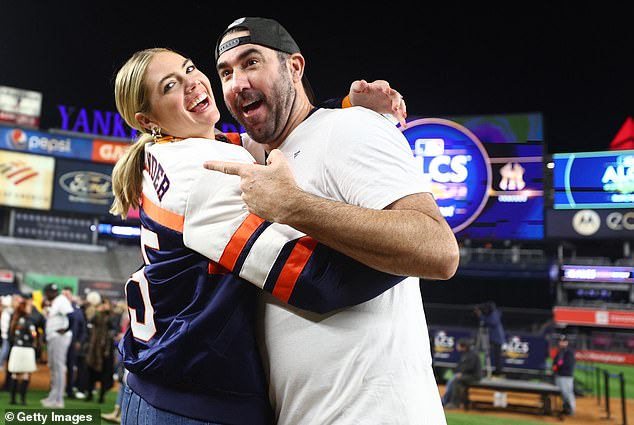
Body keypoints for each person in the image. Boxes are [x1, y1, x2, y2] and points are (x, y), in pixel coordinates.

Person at [111, 46, 413, 425]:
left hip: (162, 384)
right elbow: (314, 279)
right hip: (194, 402)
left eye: (189, 69)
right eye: (170, 85)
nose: (192, 84)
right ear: (147, 119)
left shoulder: (174, 152)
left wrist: (347, 103)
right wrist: (409, 248)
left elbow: (275, 134)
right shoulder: (205, 170)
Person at [207, 17, 459, 425]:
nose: (237, 82)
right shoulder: (259, 157)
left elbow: (438, 250)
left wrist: (294, 206)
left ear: (294, 67)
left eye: (252, 62)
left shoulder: (351, 127)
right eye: (226, 72)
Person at [40, 283, 74, 409]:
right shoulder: (56, 301)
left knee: (58, 368)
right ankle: (53, 397)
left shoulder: (61, 300)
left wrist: (66, 329)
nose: (50, 294)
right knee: (54, 368)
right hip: (54, 337)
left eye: (52, 292)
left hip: (59, 337)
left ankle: (58, 400)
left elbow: (72, 316)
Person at [7, 299, 38, 405]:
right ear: (24, 308)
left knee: (14, 374)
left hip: (16, 349)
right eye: (29, 307)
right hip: (27, 349)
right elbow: (33, 335)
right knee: (25, 374)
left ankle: (13, 399)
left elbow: (9, 335)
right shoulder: (29, 321)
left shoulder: (14, 319)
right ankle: (23, 400)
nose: (31, 309)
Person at [442, 338, 481, 409]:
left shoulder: (471, 355)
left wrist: (462, 373)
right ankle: (445, 401)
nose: (457, 347)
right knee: (452, 380)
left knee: (455, 381)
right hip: (466, 375)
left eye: (459, 345)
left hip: (473, 376)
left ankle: (454, 403)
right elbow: (460, 367)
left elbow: (471, 367)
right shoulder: (465, 354)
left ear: (463, 346)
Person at [63, 286, 87, 399]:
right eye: (63, 295)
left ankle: (69, 389)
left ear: (71, 296)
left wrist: (79, 342)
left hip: (72, 343)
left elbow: (83, 329)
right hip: (60, 343)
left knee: (71, 367)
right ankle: (56, 389)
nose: (65, 297)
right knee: (57, 367)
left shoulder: (77, 311)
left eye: (67, 295)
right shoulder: (58, 309)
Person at [474, 301, 506, 376]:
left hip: (497, 339)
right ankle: (481, 368)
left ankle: (498, 372)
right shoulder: (491, 314)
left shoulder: (494, 314)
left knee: (497, 356)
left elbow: (492, 322)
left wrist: (481, 315)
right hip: (491, 338)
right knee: (485, 352)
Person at [552, 334, 576, 416]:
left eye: (563, 342)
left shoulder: (569, 352)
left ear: (567, 343)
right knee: (562, 393)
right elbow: (555, 363)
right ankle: (566, 408)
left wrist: (558, 366)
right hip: (559, 375)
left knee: (567, 393)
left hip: (566, 376)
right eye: (560, 341)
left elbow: (568, 365)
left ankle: (571, 409)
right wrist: (555, 366)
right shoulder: (560, 352)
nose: (561, 343)